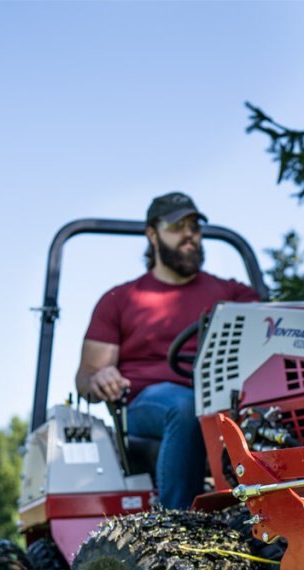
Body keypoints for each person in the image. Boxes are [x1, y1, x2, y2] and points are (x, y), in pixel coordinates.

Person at [76, 192, 259, 509]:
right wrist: (100, 377)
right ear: (152, 234)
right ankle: (179, 526)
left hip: (224, 398)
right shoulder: (120, 299)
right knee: (187, 408)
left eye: (194, 226)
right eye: (177, 226)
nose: (189, 234)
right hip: (148, 403)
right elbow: (86, 377)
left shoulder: (232, 293)